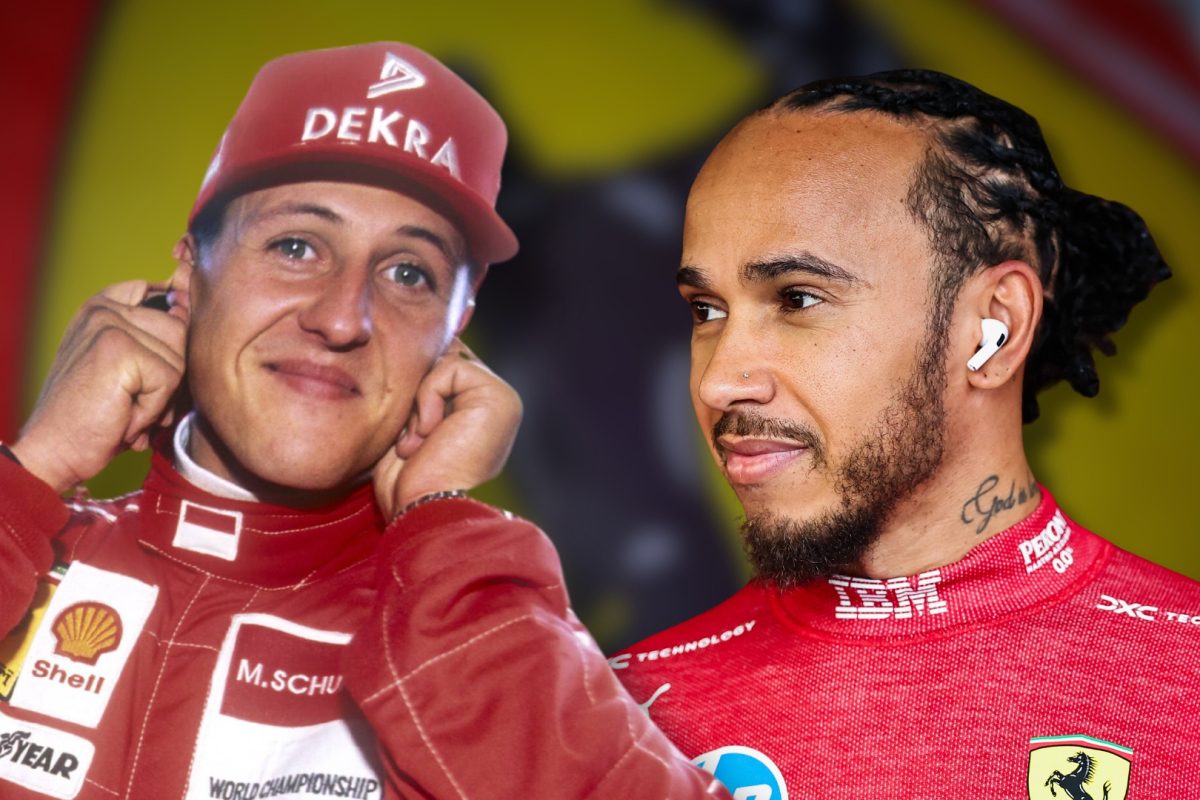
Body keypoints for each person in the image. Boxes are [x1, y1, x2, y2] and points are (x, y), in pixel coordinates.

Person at [0, 43, 725, 799]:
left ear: (455, 333)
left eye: (409, 273)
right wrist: (33, 471)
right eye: (296, 246)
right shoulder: (29, 546)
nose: (345, 318)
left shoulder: (484, 632)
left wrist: (444, 524)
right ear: (189, 272)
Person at [609, 69, 1199, 797]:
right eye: (706, 310)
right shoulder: (618, 719)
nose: (718, 383)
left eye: (798, 299)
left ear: (994, 328)